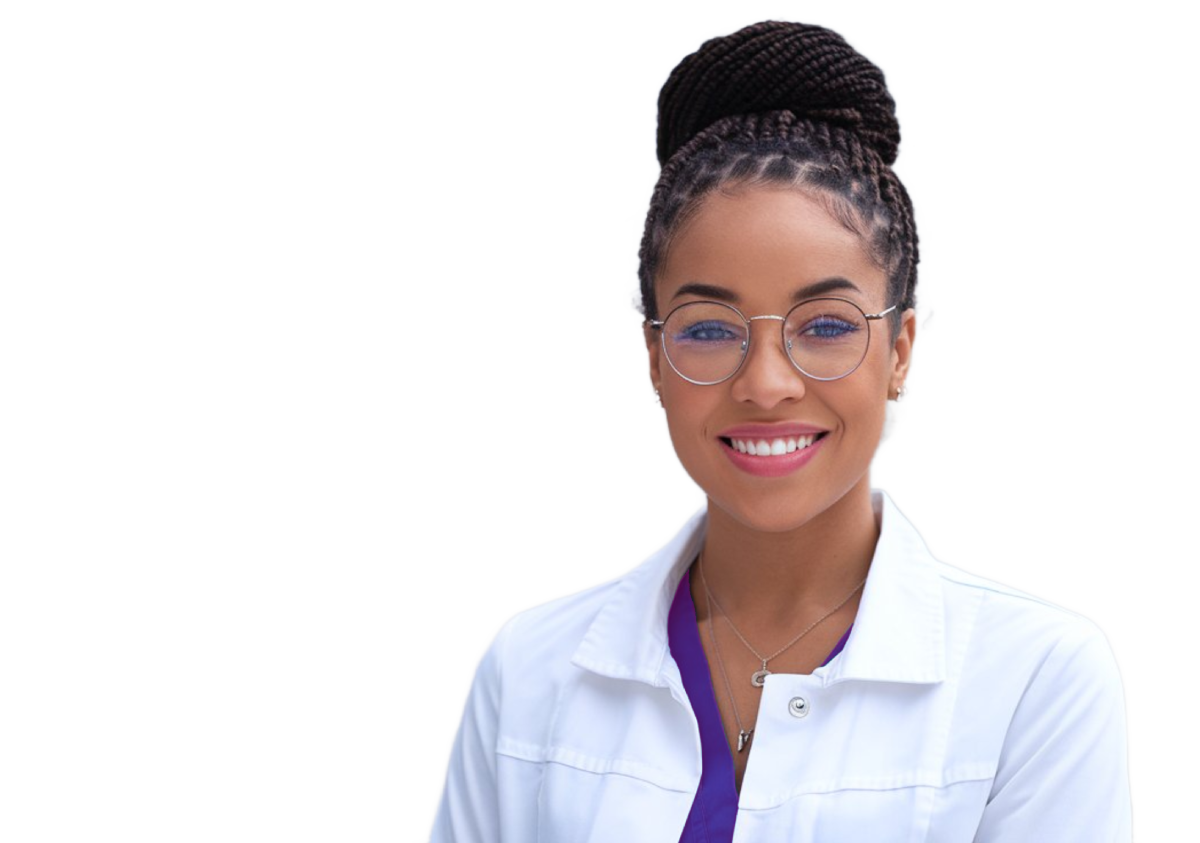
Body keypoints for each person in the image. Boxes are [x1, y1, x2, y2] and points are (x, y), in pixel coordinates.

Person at [423, 17, 1134, 842]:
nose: (765, 383)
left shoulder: (1038, 677)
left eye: (826, 325)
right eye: (708, 328)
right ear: (653, 355)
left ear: (901, 347)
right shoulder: (527, 669)